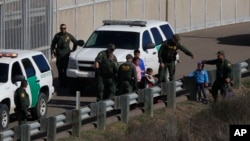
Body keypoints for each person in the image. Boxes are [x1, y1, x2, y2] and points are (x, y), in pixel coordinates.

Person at [51, 23, 78, 88]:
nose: (63, 29)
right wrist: (52, 53)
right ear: (60, 29)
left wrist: (73, 50)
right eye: (62, 28)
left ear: (66, 29)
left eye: (64, 28)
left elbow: (75, 42)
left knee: (65, 69)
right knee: (60, 69)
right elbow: (53, 45)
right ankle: (61, 83)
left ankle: (66, 83)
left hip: (66, 55)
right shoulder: (57, 36)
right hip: (59, 55)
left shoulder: (68, 36)